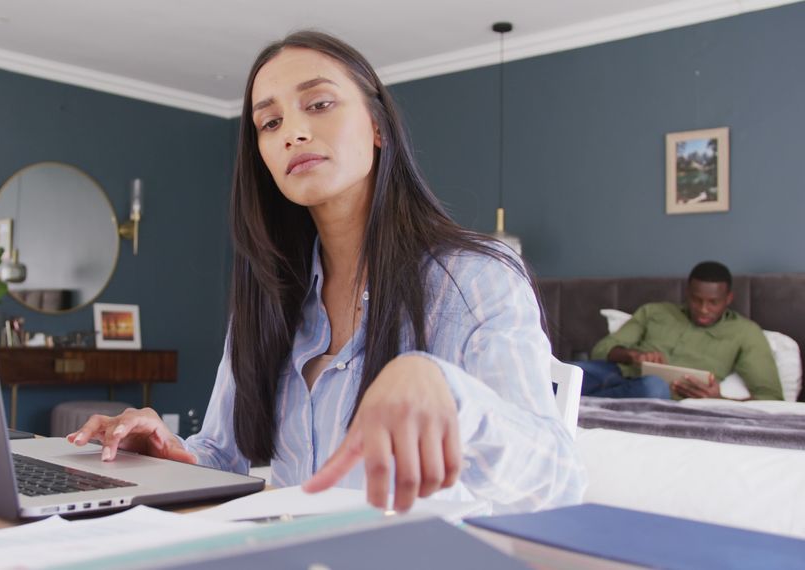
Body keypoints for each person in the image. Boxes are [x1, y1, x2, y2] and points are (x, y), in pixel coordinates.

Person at [68, 31, 585, 514]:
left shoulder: (475, 279)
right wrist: (165, 450)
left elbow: (558, 477)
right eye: (270, 123)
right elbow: (223, 454)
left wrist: (449, 392)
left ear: (378, 128)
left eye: (318, 104)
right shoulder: (270, 296)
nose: (293, 131)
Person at [578, 261, 783, 400]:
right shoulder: (655, 311)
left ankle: (580, 406)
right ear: (687, 293)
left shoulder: (745, 333)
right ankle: (580, 404)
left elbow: (771, 397)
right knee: (565, 372)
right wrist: (632, 355)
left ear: (728, 299)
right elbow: (602, 350)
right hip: (615, 373)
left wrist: (719, 400)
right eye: (696, 299)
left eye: (713, 302)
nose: (703, 309)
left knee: (653, 386)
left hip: (660, 393)